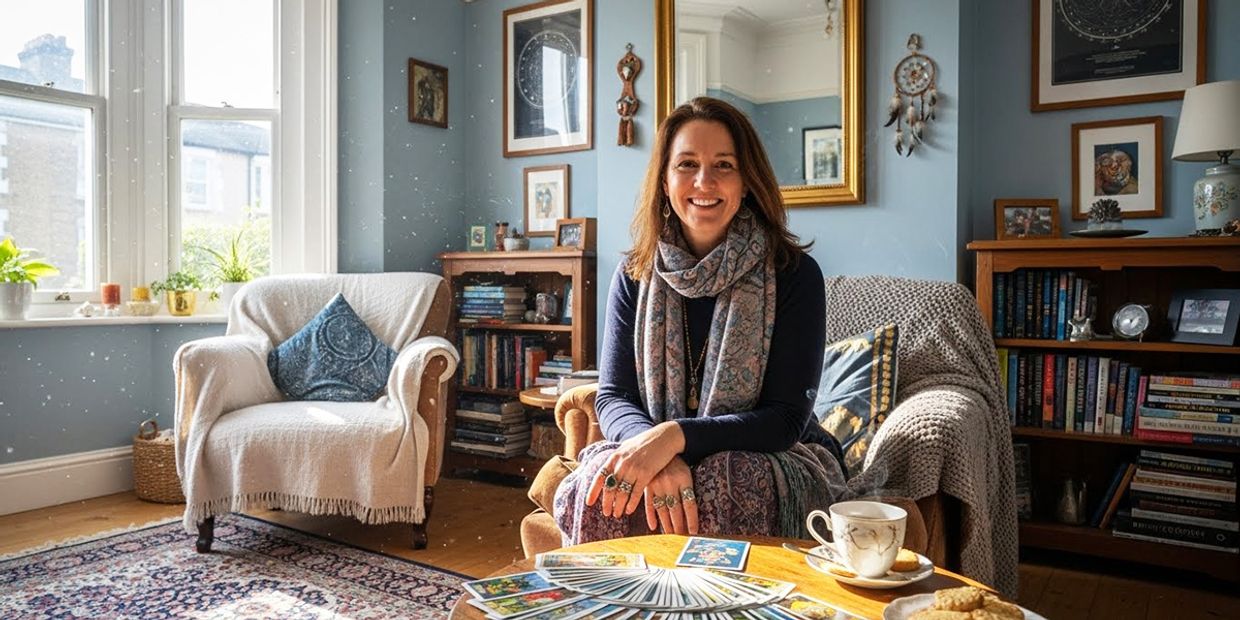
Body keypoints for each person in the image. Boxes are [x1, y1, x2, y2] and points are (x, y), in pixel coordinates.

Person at [553, 97, 847, 545]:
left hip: (768, 451)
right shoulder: (635, 273)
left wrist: (673, 438)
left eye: (724, 165)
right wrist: (650, 454)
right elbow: (613, 396)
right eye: (686, 164)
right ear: (665, 181)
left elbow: (784, 419)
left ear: (747, 181)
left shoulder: (795, 275)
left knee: (729, 480)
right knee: (604, 485)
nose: (704, 181)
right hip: (652, 441)